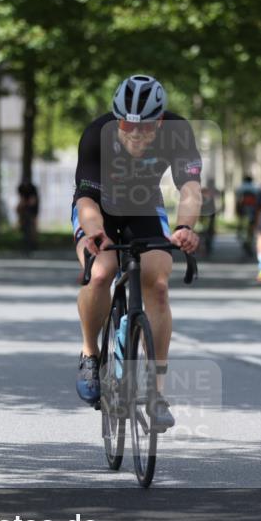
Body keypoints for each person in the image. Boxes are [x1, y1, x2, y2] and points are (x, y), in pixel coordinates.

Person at [72, 74, 202, 430]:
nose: (136, 133)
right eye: (127, 124)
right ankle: (89, 353)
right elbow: (85, 198)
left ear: (160, 121)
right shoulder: (97, 134)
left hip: (144, 207)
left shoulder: (178, 130)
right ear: (117, 119)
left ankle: (157, 393)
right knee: (101, 272)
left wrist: (186, 227)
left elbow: (189, 187)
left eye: (146, 127)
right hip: (98, 209)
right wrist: (94, 230)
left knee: (157, 283)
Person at [235, 175, 260, 256]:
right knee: (251, 227)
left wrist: (237, 210)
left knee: (241, 224)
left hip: (243, 210)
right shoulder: (255, 188)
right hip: (252, 210)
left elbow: (238, 200)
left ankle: (240, 234)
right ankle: (249, 240)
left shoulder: (240, 187)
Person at [17, 181, 40, 253]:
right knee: (19, 209)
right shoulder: (20, 188)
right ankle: (21, 223)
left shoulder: (33, 189)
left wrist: (30, 206)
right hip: (25, 205)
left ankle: (34, 241)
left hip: (33, 207)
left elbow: (33, 201)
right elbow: (21, 199)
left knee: (33, 223)